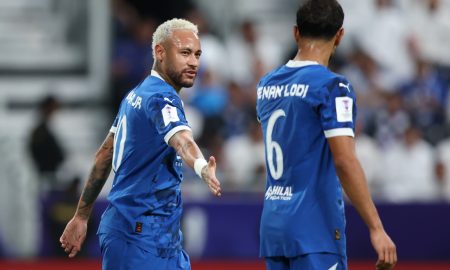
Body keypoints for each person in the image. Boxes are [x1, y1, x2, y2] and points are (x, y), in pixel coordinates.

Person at [59, 18, 221, 270]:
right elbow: (181, 140)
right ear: (160, 51)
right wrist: (201, 166)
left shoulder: (136, 94)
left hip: (159, 236)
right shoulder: (161, 97)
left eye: (197, 54)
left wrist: (81, 215)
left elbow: (105, 154)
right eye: (185, 53)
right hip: (138, 236)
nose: (194, 62)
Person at [256, 1, 397, 269]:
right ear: (339, 36)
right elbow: (344, 160)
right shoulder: (332, 86)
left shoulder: (267, 85)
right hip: (314, 227)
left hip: (274, 224)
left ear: (296, 33)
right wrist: (376, 228)